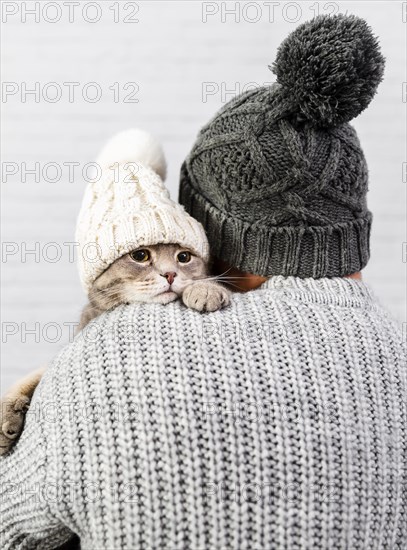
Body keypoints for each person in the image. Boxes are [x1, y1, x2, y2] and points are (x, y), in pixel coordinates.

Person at [1, 14, 405, 550]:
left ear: (208, 232)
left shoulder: (102, 358)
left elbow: (12, 527)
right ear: (353, 241)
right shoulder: (396, 357)